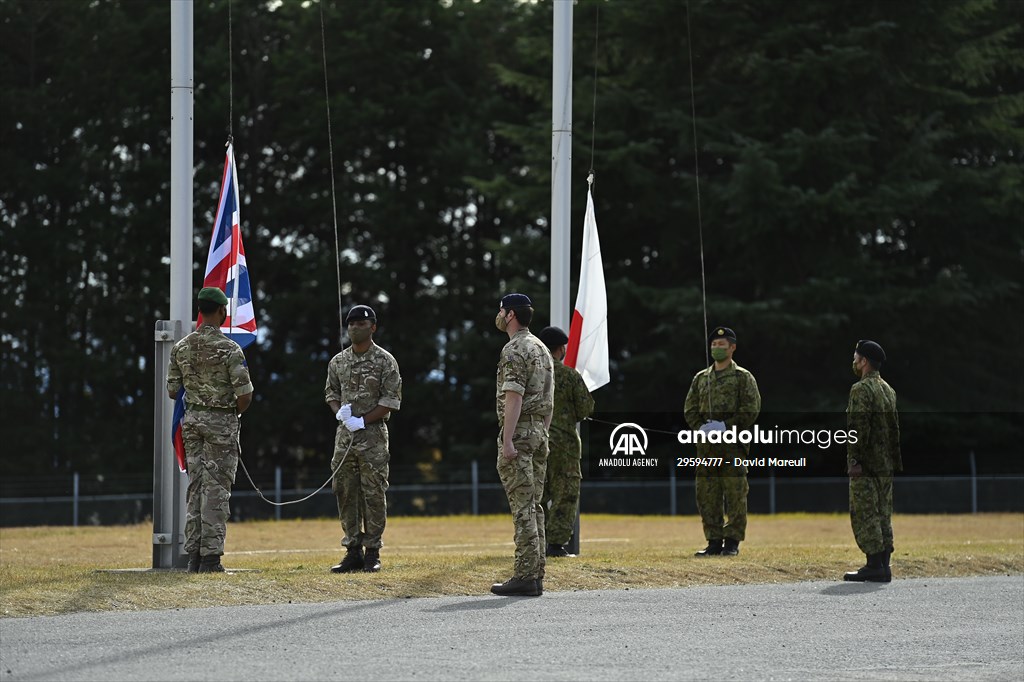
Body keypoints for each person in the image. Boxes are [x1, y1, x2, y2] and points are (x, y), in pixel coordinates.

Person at [166, 287, 254, 573]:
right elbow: (245, 395)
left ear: (200, 311)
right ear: (221, 311)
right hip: (221, 424)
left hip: (192, 423)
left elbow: (172, 391)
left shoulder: (181, 347)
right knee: (216, 490)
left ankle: (193, 557)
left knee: (196, 488)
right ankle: (211, 559)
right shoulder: (230, 349)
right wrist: (229, 412)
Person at [325, 304, 402, 574]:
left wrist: (363, 420)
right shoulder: (338, 361)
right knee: (345, 492)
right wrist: (339, 413)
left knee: (373, 493)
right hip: (345, 439)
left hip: (373, 439)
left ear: (373, 327)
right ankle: (353, 550)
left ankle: (373, 551)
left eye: (361, 324)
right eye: (351, 324)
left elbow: (391, 400)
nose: (355, 328)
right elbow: (331, 393)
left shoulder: (385, 361)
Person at [491, 293, 554, 596]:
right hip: (539, 431)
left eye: (501, 310)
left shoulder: (514, 349)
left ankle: (526, 575)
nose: (499, 315)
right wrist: (543, 433)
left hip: (520, 432)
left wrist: (507, 439)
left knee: (523, 507)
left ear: (511, 315)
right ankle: (536, 572)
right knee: (535, 506)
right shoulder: (541, 347)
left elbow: (513, 396)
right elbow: (549, 400)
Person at [683, 326, 761, 557]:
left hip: (733, 447)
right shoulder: (701, 378)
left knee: (735, 494)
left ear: (732, 348)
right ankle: (713, 541)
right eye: (714, 345)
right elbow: (690, 409)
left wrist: (725, 426)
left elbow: (751, 409)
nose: (717, 348)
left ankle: (732, 542)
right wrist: (701, 428)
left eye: (722, 345)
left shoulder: (743, 377)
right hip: (706, 449)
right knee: (707, 495)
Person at [844, 339, 902, 582]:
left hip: (867, 465)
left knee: (865, 512)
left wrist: (854, 461)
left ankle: (873, 565)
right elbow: (894, 429)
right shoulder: (888, 390)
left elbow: (858, 428)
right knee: (883, 512)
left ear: (864, 361)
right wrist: (895, 461)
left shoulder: (861, 389)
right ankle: (884, 565)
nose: (854, 361)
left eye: (856, 357)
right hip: (885, 464)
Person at [537, 326, 595, 558]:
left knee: (537, 495)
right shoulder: (569, 376)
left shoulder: (531, 375)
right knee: (565, 493)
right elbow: (586, 408)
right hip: (565, 446)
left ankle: (537, 542)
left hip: (534, 442)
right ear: (561, 349)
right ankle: (555, 545)